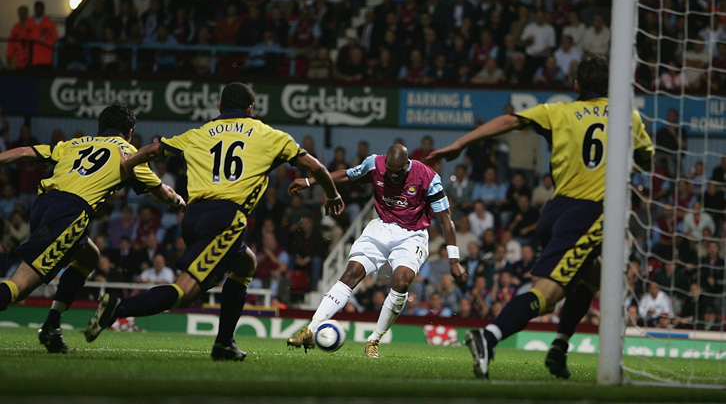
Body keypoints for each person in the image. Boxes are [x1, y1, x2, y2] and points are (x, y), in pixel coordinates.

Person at [425, 56, 654, 379]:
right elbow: (646, 160)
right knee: (547, 295)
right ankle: (488, 337)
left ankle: (559, 348)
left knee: (593, 276)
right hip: (590, 214)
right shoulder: (627, 117)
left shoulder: (557, 111)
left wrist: (460, 143)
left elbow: (508, 121)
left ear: (575, 86)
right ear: (612, 86)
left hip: (554, 212)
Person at [83, 83, 343, 362]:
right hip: (226, 219)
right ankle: (117, 309)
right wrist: (332, 194)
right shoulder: (269, 135)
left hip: (193, 218)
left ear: (219, 107)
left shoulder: (199, 133)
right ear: (250, 109)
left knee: (246, 264)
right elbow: (316, 167)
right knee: (185, 292)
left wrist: (128, 162)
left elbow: (155, 150)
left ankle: (224, 343)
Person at [0, 103, 183, 353]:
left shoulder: (75, 143)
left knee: (89, 255)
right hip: (70, 213)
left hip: (43, 205)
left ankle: (52, 324)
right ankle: (47, 323)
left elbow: (22, 152)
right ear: (129, 132)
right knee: (20, 287)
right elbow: (162, 192)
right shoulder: (129, 152)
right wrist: (178, 201)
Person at [285, 143, 467, 358]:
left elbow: (446, 221)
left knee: (401, 281)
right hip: (381, 227)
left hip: (412, 234)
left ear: (407, 166)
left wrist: (454, 260)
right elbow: (347, 175)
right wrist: (310, 181)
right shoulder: (374, 164)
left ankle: (374, 339)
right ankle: (311, 329)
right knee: (351, 273)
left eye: (398, 172)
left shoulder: (428, 178)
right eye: (389, 171)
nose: (393, 176)